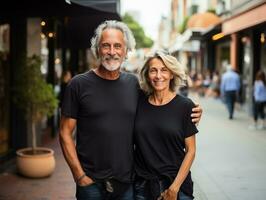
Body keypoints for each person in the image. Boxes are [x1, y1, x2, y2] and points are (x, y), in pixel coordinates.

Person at [59, 20, 202, 200]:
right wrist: (79, 175)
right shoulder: (78, 85)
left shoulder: (134, 85)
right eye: (106, 46)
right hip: (91, 183)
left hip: (127, 183)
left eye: (118, 46)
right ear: (97, 49)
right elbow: (65, 132)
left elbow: (162, 106)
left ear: (126, 51)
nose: (112, 51)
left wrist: (193, 111)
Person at [134, 50, 198, 200]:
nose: (158, 76)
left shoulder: (185, 106)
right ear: (147, 75)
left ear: (171, 74)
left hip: (177, 185)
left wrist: (174, 189)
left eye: (164, 70)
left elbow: (191, 150)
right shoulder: (138, 103)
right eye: (153, 70)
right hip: (143, 186)